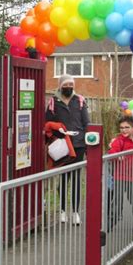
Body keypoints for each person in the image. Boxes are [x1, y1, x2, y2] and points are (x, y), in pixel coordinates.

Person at [45, 74, 90, 225]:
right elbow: (48, 123)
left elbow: (86, 123)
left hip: (78, 145)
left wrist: (88, 145)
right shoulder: (53, 102)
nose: (69, 87)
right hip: (62, 146)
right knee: (64, 179)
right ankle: (63, 211)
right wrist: (58, 132)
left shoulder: (80, 101)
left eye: (71, 84)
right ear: (60, 86)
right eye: (66, 84)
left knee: (76, 178)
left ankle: (76, 212)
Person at [107, 116, 133, 232]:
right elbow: (112, 151)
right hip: (120, 177)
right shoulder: (119, 141)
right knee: (117, 205)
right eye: (121, 128)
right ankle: (107, 228)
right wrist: (116, 155)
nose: (124, 130)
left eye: (127, 127)